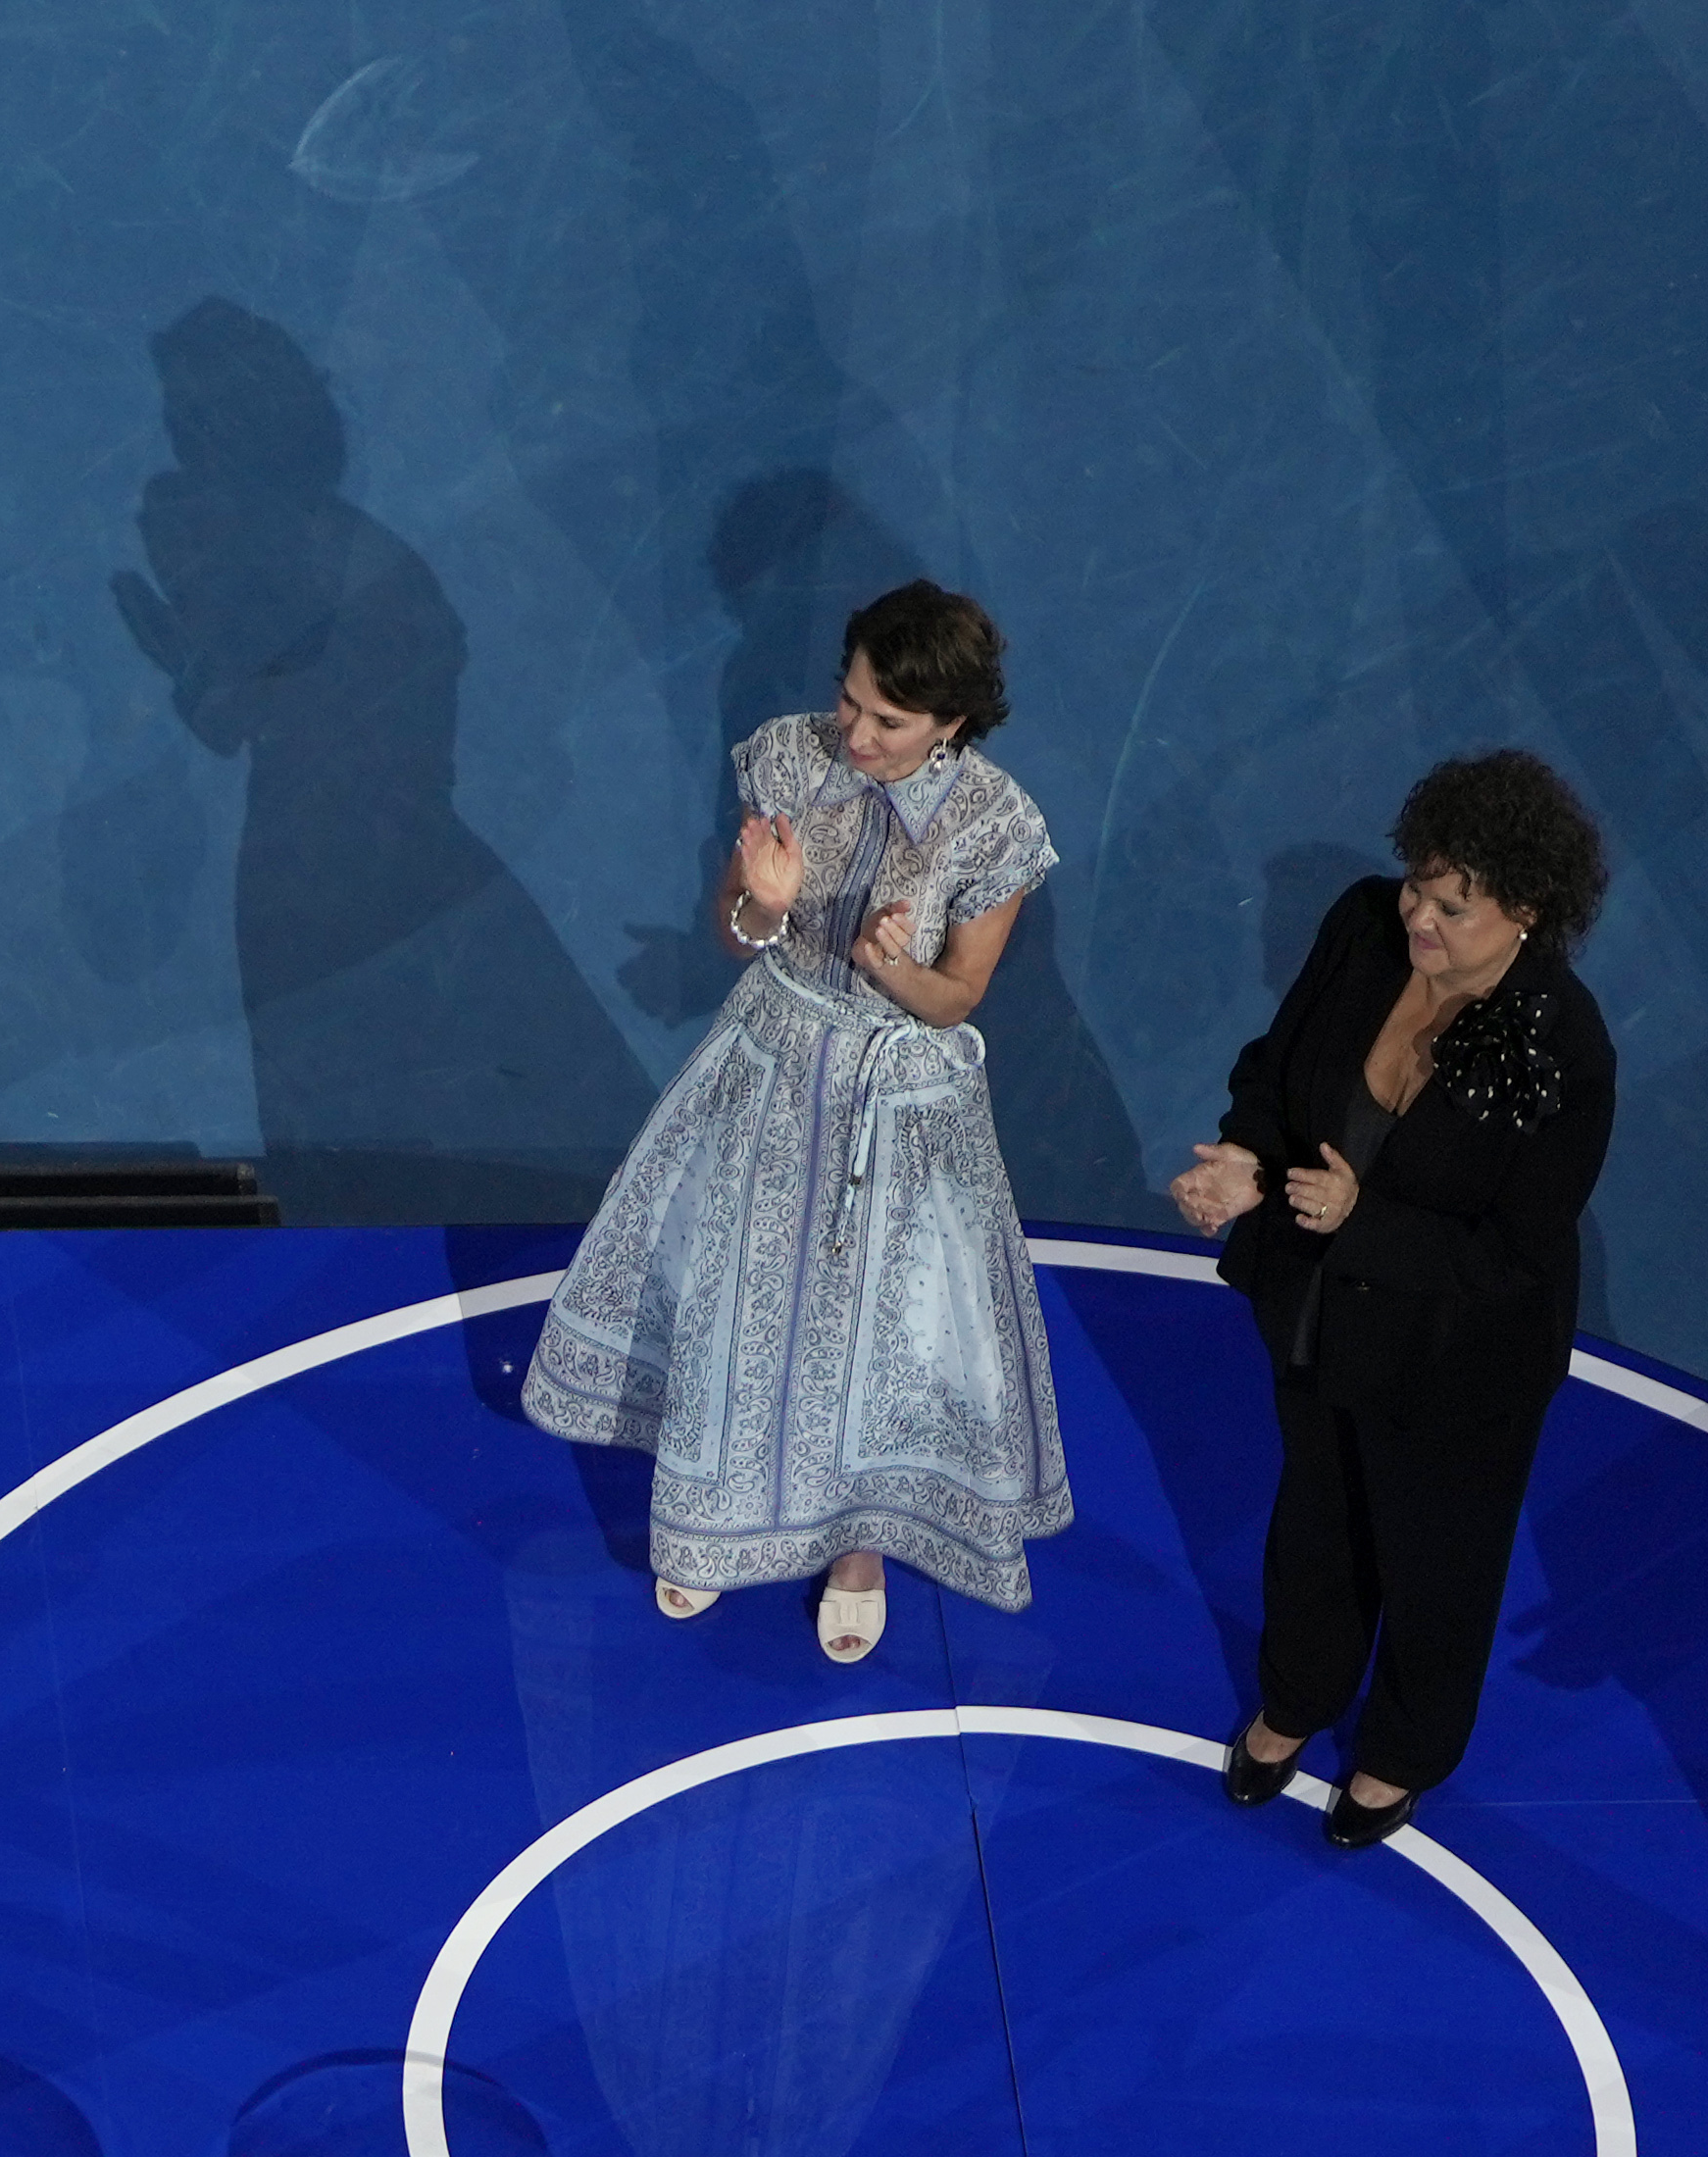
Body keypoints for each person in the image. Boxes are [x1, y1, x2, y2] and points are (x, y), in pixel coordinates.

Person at [522, 579, 1069, 1661]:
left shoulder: (998, 823)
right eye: (851, 700)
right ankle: (705, 1517)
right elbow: (731, 930)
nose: (854, 733)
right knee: (738, 1295)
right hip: (771, 1063)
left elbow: (958, 997)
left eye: (887, 721)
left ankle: (854, 1545)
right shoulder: (787, 757)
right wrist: (762, 908)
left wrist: (894, 971)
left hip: (903, 1105)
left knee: (874, 1332)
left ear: (950, 724)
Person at [1174, 753, 1620, 1849]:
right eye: (1416, 885)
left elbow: (1515, 1253)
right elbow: (1275, 1065)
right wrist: (1244, 1157)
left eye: (1449, 905)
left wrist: (1357, 1218)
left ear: (1522, 910)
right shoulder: (1364, 926)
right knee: (1314, 1523)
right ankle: (1296, 1695)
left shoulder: (1562, 1047)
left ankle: (1403, 1751)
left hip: (1455, 1356)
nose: (1417, 915)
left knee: (1437, 1560)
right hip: (1320, 1312)